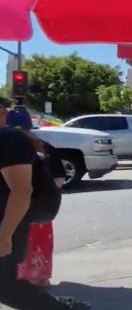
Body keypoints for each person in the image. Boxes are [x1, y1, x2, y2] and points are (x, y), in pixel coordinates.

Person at [0, 99, 90, 310]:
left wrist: (5, 234)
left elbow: (21, 191)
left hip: (9, 222)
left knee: (4, 285)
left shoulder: (9, 140)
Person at [6, 104, 65, 287]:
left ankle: (14, 281)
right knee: (39, 245)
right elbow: (59, 180)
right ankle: (39, 278)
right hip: (41, 208)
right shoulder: (44, 148)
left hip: (13, 208)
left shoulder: (7, 146)